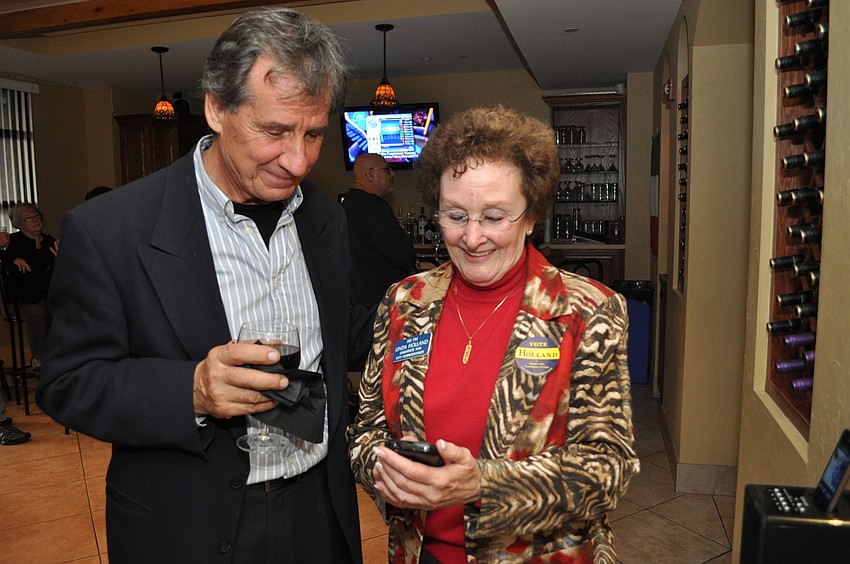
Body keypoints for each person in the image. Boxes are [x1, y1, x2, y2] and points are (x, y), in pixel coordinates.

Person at [37, 8, 372, 563]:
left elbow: (339, 331)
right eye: (274, 131)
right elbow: (68, 383)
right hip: (188, 522)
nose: (298, 161)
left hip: (317, 508)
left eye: (313, 134)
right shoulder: (110, 230)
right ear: (217, 108)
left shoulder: (323, 218)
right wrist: (191, 389)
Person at [348, 106, 639, 563]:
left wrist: (483, 483)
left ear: (531, 215)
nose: (472, 237)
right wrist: (388, 473)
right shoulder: (405, 303)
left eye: (495, 217)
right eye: (455, 215)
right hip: (421, 552)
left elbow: (607, 469)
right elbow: (366, 432)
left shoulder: (586, 311)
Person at [343, 153, 416, 309]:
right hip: (382, 304)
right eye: (387, 170)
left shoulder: (346, 205)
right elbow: (405, 255)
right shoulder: (375, 208)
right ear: (370, 174)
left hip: (357, 305)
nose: (393, 174)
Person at [4, 203, 58, 371]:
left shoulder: (50, 241)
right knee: (38, 311)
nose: (35, 220)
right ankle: (40, 360)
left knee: (65, 308)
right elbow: (3, 257)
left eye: (37, 216)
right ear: (19, 223)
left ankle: (60, 357)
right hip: (24, 298)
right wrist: (13, 259)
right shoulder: (13, 242)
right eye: (29, 218)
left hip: (48, 295)